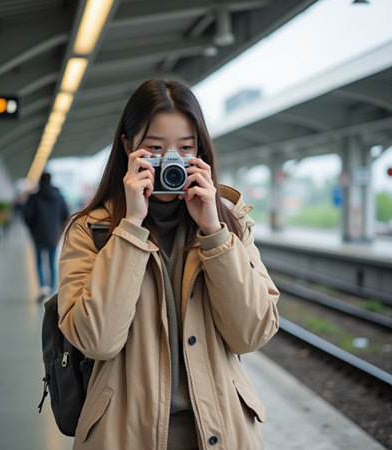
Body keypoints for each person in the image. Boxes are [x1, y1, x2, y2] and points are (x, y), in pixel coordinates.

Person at [58, 79, 279, 450]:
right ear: (128, 147)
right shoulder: (91, 230)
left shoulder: (229, 225)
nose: (170, 161)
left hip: (221, 434)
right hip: (124, 437)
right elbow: (97, 340)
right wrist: (130, 227)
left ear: (202, 151)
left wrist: (214, 231)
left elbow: (251, 334)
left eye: (186, 148)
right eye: (154, 148)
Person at [25, 172, 69, 299]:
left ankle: (43, 287)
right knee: (51, 262)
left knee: (39, 261)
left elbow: (27, 216)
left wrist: (33, 229)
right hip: (54, 235)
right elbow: (65, 215)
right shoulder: (59, 197)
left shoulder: (34, 197)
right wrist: (59, 229)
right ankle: (52, 289)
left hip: (38, 234)